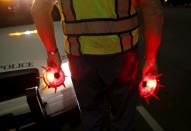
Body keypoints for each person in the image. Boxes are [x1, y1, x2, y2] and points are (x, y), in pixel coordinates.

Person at [31, 0, 163, 130]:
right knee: (123, 117)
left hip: (79, 58)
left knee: (91, 116)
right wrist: (150, 58)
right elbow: (152, 8)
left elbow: (39, 9)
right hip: (123, 56)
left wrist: (52, 52)